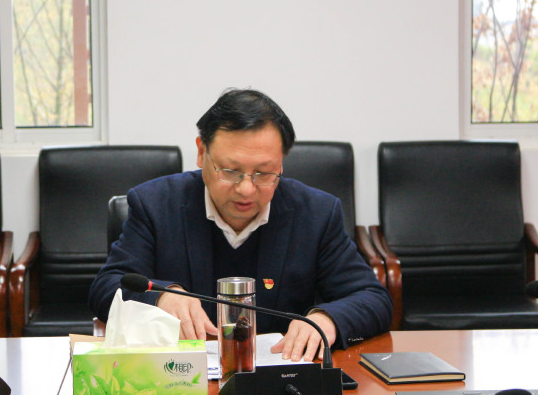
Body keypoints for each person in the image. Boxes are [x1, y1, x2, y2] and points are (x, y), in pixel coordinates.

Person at [89, 88, 392, 362]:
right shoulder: (155, 204)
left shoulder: (316, 213)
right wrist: (162, 296)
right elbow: (107, 286)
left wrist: (326, 320)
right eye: (231, 171)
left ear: (281, 163)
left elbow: (373, 298)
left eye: (264, 173)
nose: (246, 189)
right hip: (182, 377)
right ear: (201, 152)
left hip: (277, 378)